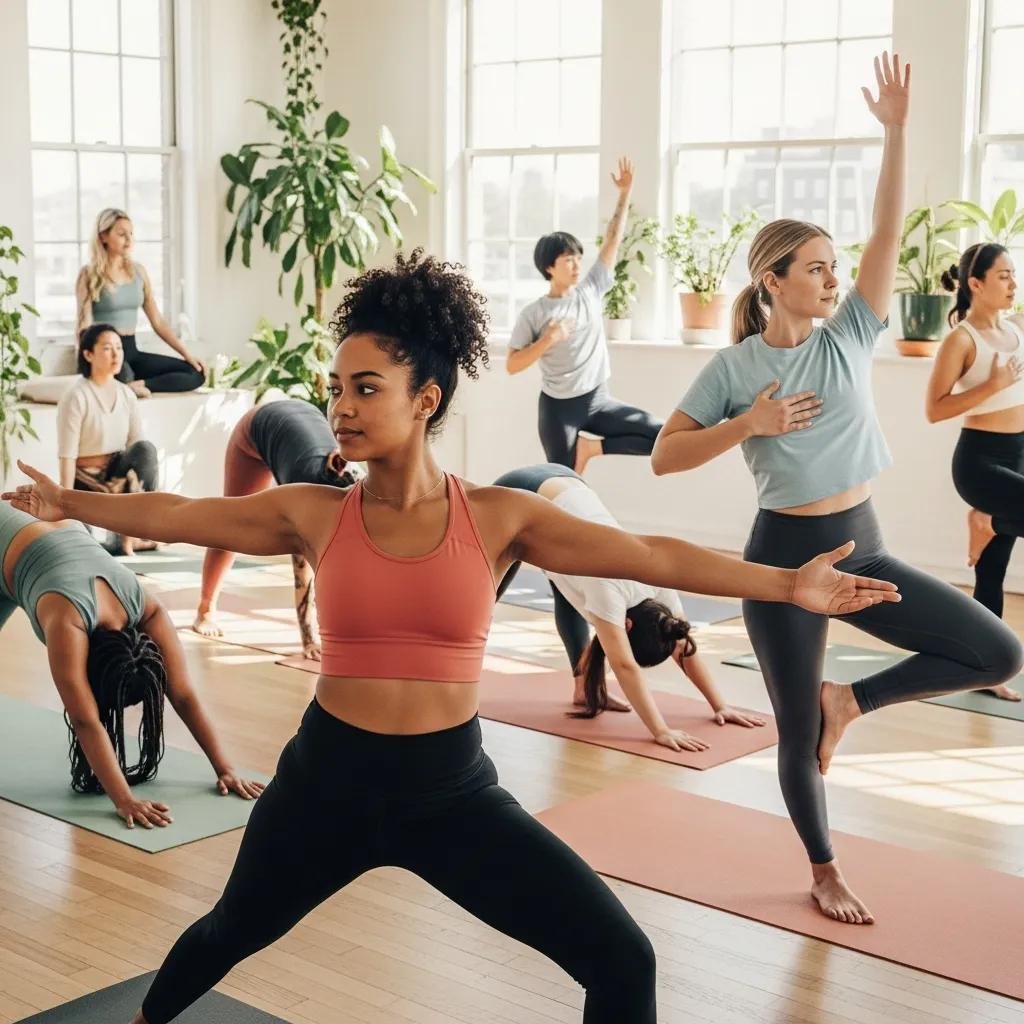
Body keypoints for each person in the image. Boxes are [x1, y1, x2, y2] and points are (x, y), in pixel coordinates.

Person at [5, 250, 900, 1024]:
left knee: (623, 958)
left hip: (453, 794)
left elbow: (649, 553)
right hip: (328, 783)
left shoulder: (500, 517)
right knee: (226, 933)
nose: (341, 408)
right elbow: (183, 511)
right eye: (335, 388)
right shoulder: (315, 513)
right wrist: (67, 504)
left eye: (366, 389)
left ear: (425, 398)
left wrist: (787, 583)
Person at [652, 53, 1023, 925]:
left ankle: (849, 699)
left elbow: (888, 231)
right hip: (783, 561)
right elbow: (667, 456)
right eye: (813, 267)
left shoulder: (849, 333)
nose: (831, 276)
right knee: (792, 733)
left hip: (866, 542)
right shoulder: (736, 367)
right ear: (772, 280)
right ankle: (823, 868)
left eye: (832, 265)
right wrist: (749, 427)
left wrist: (893, 131)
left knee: (1000, 653)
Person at [0, 502, 263, 828]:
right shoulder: (67, 622)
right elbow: (85, 720)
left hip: (44, 533)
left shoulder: (146, 607)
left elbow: (182, 694)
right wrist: (125, 800)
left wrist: (225, 769)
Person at [494, 463, 765, 750]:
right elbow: (624, 665)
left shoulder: (660, 596)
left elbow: (683, 646)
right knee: (485, 596)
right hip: (520, 490)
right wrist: (661, 731)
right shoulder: (607, 586)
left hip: (566, 485)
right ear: (627, 626)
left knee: (567, 589)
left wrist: (720, 706)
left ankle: (582, 690)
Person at [506, 157, 664, 474]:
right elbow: (512, 365)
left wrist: (625, 193)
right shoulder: (534, 313)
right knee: (564, 482)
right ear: (549, 267)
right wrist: (547, 340)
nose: (577, 265)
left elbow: (612, 240)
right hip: (557, 410)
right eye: (568, 260)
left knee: (662, 436)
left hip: (598, 400)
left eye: (579, 258)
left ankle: (592, 447)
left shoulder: (590, 291)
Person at [925, 244, 1024, 701]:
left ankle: (988, 668)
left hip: (1019, 453)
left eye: (1013, 275)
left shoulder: (1018, 328)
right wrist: (992, 385)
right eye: (1002, 275)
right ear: (975, 283)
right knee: (992, 565)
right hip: (981, 462)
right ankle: (985, 517)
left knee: (992, 570)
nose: (1012, 283)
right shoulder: (961, 340)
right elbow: (934, 409)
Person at [192, 398, 363, 659]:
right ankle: (205, 609)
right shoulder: (307, 505)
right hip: (257, 429)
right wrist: (309, 641)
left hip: (300, 417)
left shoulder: (365, 488)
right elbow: (302, 576)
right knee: (229, 526)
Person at [76, 208, 205, 397]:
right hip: (106, 353)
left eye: (131, 233)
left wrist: (187, 355)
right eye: (121, 234)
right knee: (123, 375)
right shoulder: (89, 274)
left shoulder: (138, 272)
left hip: (132, 350)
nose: (129, 239)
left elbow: (158, 322)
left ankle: (138, 385)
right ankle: (127, 385)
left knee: (196, 374)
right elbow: (83, 326)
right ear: (103, 236)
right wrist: (86, 365)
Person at [57, 323, 160, 556]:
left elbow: (138, 447)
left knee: (146, 450)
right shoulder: (76, 396)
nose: (115, 354)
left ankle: (129, 537)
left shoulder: (126, 393)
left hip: (118, 475)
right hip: (85, 481)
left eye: (119, 348)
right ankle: (121, 540)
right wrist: (64, 501)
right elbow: (67, 456)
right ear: (88, 354)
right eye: (107, 348)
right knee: (84, 549)